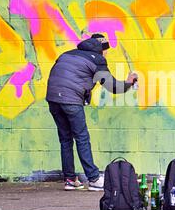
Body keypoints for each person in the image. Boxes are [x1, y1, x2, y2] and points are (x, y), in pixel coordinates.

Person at [46, 33, 138, 191]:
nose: (107, 53)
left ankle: (69, 179)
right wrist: (129, 82)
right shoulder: (97, 60)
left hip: (53, 98)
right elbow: (112, 86)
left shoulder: (68, 54)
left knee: (65, 139)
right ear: (100, 49)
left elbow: (63, 75)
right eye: (106, 50)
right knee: (82, 138)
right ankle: (94, 178)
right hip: (70, 100)